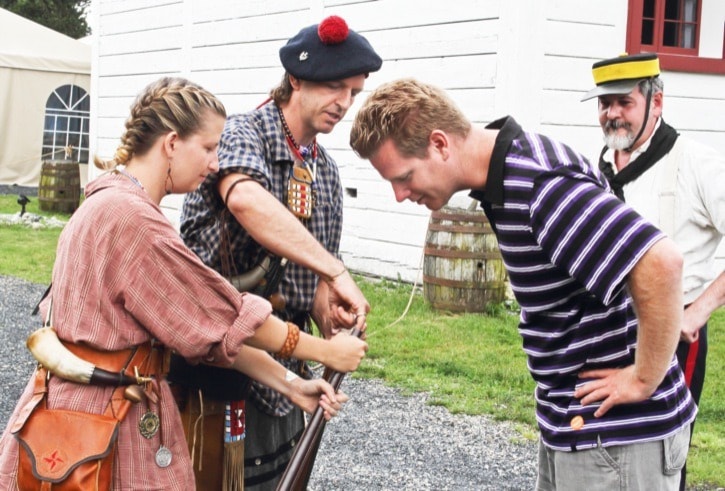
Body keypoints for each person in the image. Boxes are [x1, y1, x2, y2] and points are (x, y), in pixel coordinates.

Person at [0, 77, 368, 491]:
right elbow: (225, 316)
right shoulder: (132, 220)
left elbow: (202, 331)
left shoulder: (107, 200)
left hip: (79, 415)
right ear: (172, 143)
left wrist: (294, 385)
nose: (215, 164)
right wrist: (326, 351)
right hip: (103, 425)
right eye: (209, 148)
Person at [349, 78, 698, 490]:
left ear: (440, 144)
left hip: (617, 438)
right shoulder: (503, 179)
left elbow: (661, 263)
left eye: (403, 176)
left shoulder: (539, 188)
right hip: (576, 426)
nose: (399, 194)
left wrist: (642, 378)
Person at [177, 15, 382, 490]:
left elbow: (307, 279)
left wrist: (331, 314)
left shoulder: (325, 171)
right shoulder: (239, 132)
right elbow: (246, 200)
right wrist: (337, 270)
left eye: (353, 91)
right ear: (295, 79)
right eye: (335, 86)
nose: (344, 103)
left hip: (284, 375)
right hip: (210, 362)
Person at [581, 52, 725, 490]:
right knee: (606, 452)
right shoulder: (598, 167)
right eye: (604, 104)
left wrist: (695, 313)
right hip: (608, 335)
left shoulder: (697, 163)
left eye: (623, 102)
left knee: (663, 455)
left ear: (656, 102)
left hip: (672, 336)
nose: (612, 114)